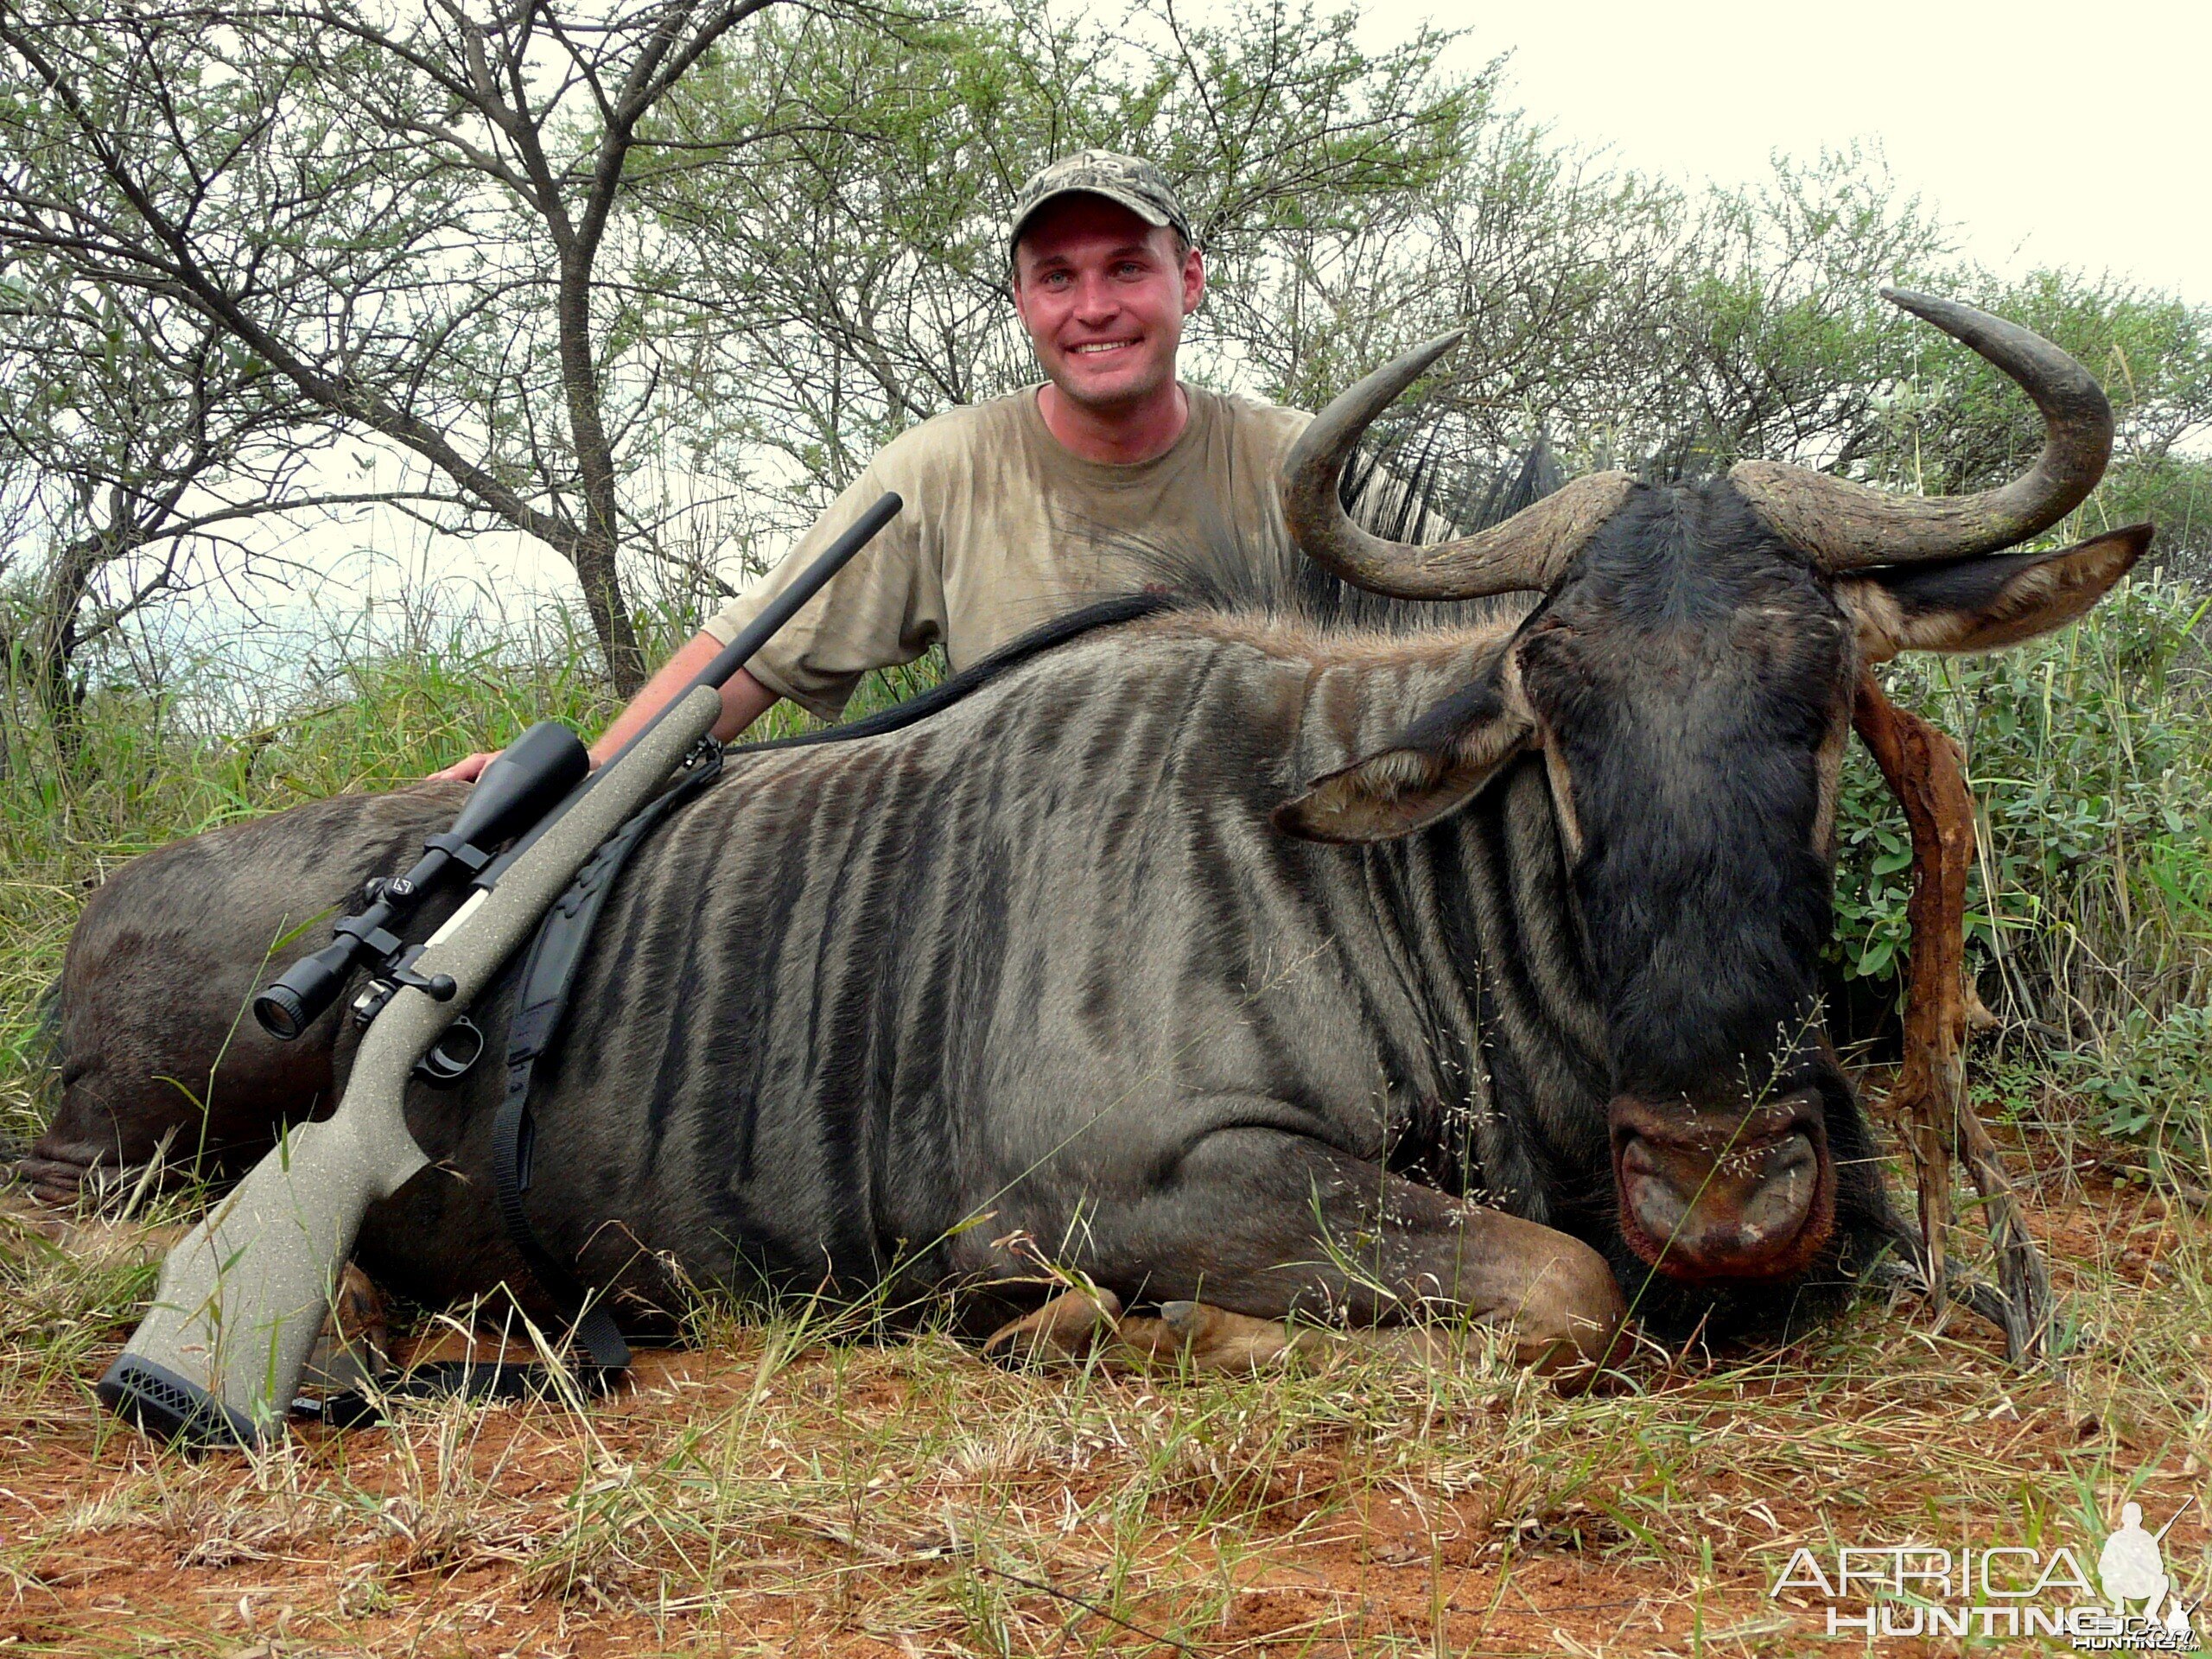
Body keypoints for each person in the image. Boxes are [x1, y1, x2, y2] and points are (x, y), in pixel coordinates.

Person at [433, 150, 1316, 781]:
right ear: (1020, 302)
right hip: (1031, 864)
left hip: (1260, 847)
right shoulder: (943, 468)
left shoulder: (1298, 462)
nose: (1093, 308)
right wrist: (589, 775)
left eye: (1127, 268)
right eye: (1056, 278)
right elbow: (753, 654)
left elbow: (1449, 615)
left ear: (1189, 280)